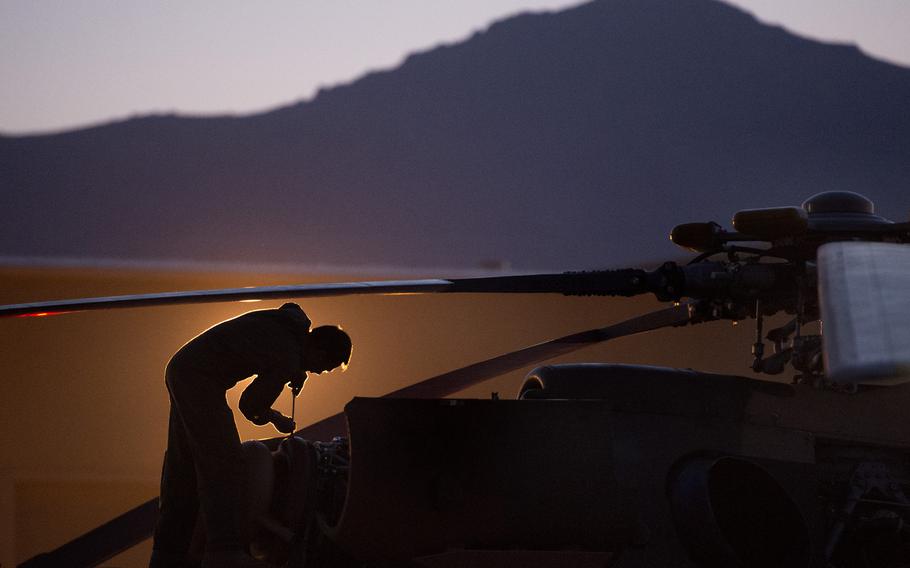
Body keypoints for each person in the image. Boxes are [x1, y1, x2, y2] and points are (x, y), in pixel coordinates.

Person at [150, 302, 352, 568]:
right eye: (324, 366)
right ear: (319, 350)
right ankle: (224, 550)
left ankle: (168, 553)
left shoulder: (287, 330)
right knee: (225, 463)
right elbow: (250, 405)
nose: (318, 372)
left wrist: (293, 369)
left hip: (182, 367)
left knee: (184, 469)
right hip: (200, 379)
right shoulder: (287, 356)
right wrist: (277, 418)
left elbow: (269, 344)